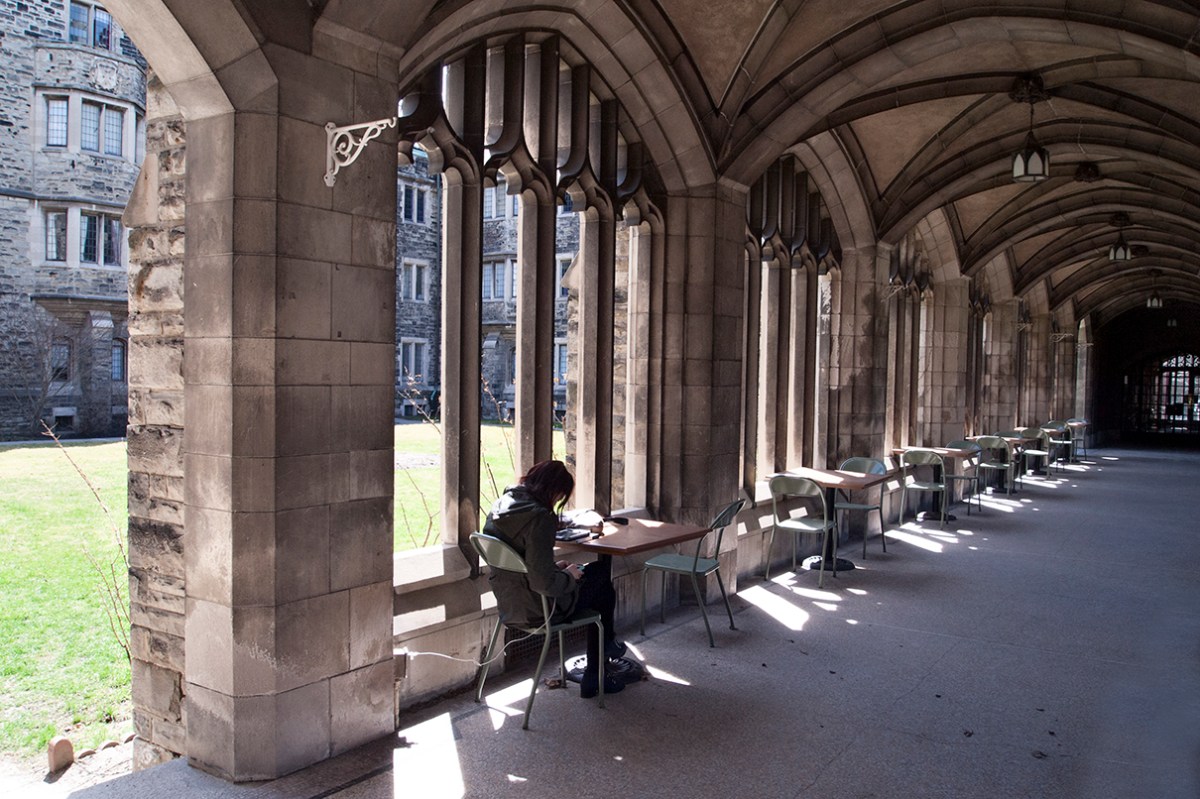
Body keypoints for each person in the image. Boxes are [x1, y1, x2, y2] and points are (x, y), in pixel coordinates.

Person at [482, 459, 626, 698]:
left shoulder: (502, 505)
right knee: (600, 577)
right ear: (555, 491)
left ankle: (600, 663)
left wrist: (555, 568)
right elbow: (544, 585)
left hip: (511, 602)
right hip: (539, 608)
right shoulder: (540, 518)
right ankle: (598, 668)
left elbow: (523, 562)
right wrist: (568, 576)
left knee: (596, 583)